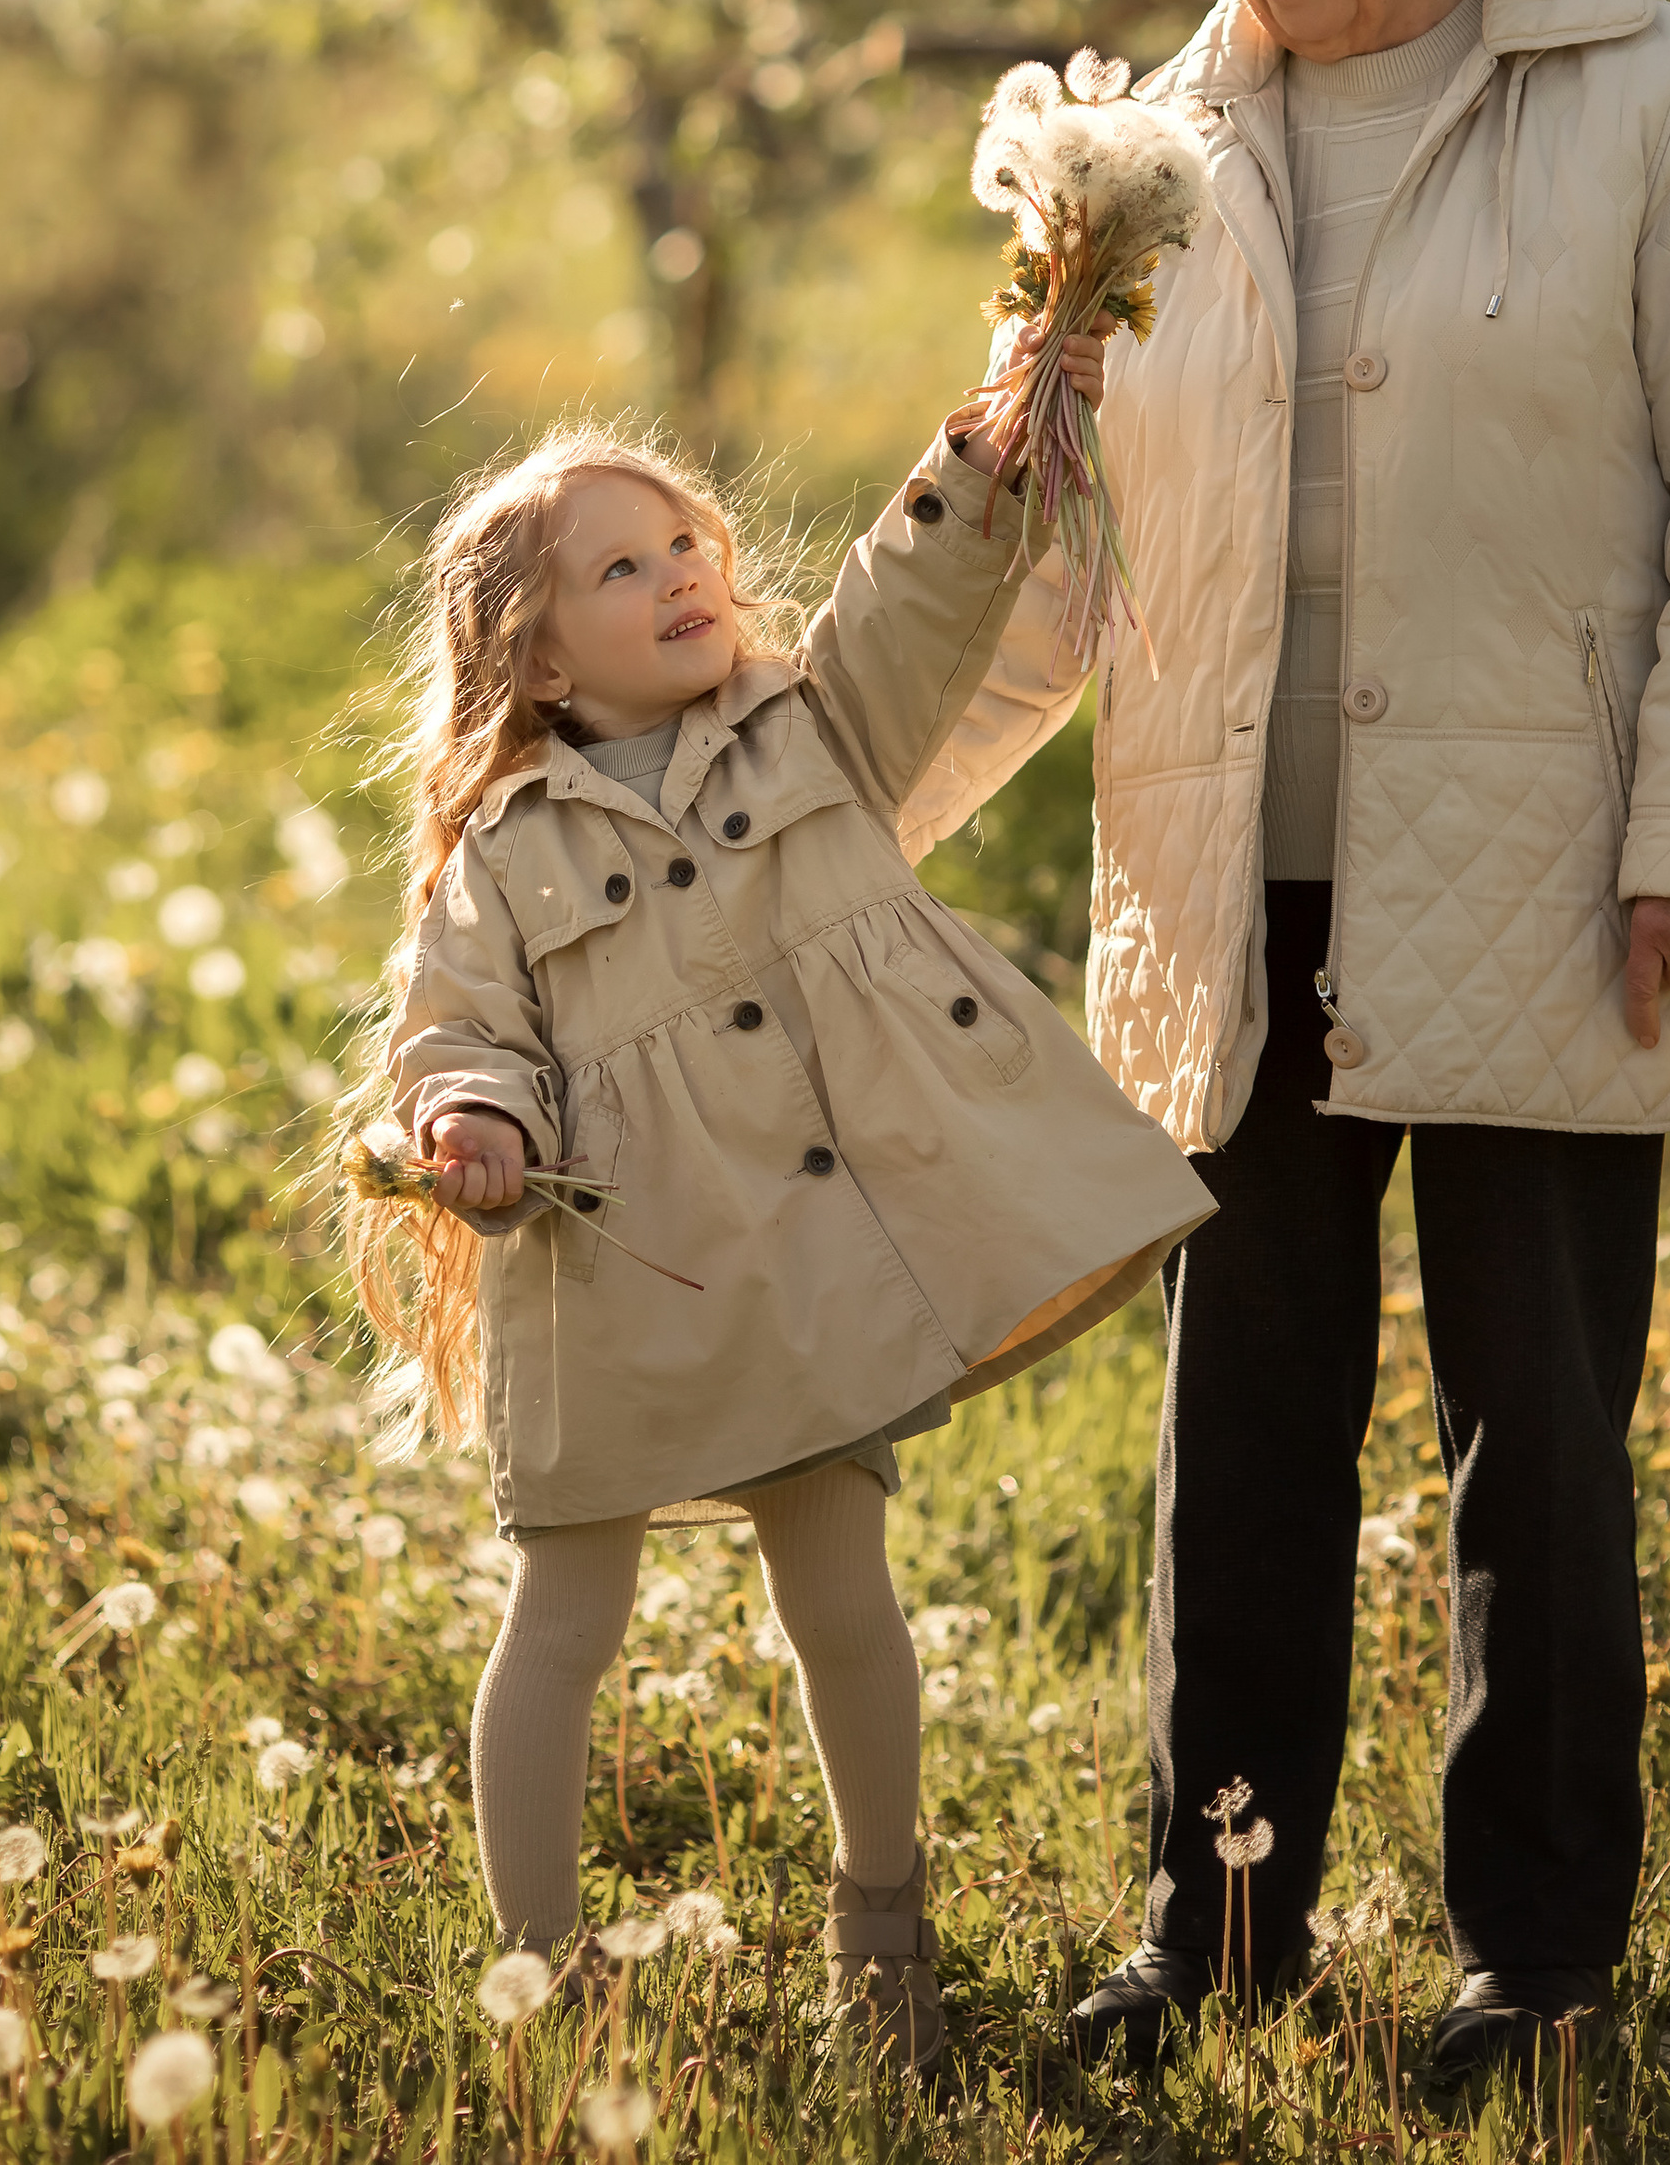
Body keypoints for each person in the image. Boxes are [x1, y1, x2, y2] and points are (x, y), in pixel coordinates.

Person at [901, 0, 1670, 2088]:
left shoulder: (1660, 102)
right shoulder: (1153, 150)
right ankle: (1208, 1938)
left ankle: (1527, 1970)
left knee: (1532, 1438)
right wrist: (836, 814)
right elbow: (1050, 548)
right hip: (1229, 886)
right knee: (1238, 1431)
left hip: (1558, 871)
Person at [344, 353, 1212, 2073]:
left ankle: (880, 1941)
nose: (681, 576)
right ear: (530, 651)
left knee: (842, 1589)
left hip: (803, 1250)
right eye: (621, 565)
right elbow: (456, 1028)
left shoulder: (813, 723)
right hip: (614, 1268)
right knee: (564, 1616)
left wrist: (982, 453)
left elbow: (909, 603)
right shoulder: (497, 850)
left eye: (687, 544)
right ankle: (542, 1976)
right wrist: (470, 1119)